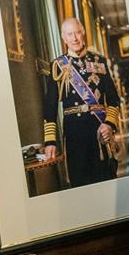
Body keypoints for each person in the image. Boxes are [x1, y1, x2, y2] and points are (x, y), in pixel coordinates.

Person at [43, 17, 121, 188]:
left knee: (106, 178)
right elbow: (49, 107)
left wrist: (109, 124)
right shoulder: (58, 65)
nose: (75, 38)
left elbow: (114, 100)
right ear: (64, 38)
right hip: (74, 134)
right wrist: (50, 141)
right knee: (81, 182)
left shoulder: (99, 61)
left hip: (99, 130)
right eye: (69, 34)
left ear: (83, 32)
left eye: (77, 32)